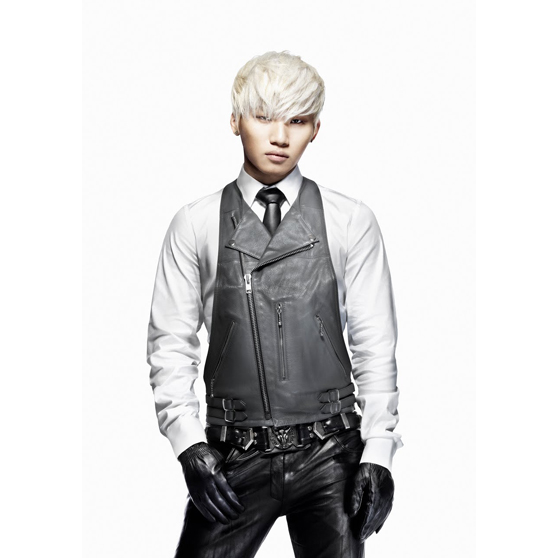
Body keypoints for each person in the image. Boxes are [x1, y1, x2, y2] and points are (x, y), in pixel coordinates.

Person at [147, 50, 403, 558]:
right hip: (233, 455)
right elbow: (170, 343)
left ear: (316, 129)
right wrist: (188, 443)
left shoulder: (351, 220)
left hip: (331, 453)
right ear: (235, 121)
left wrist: (379, 452)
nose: (280, 136)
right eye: (264, 117)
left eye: (298, 121)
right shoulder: (195, 223)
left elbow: (375, 345)